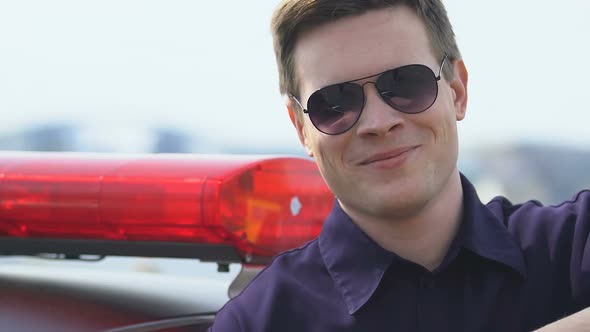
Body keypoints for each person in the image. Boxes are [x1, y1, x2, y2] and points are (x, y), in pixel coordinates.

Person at [209, 0, 590, 331]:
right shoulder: (260, 323)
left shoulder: (573, 246)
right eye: (335, 104)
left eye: (406, 83)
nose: (378, 123)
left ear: (457, 91)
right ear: (301, 128)